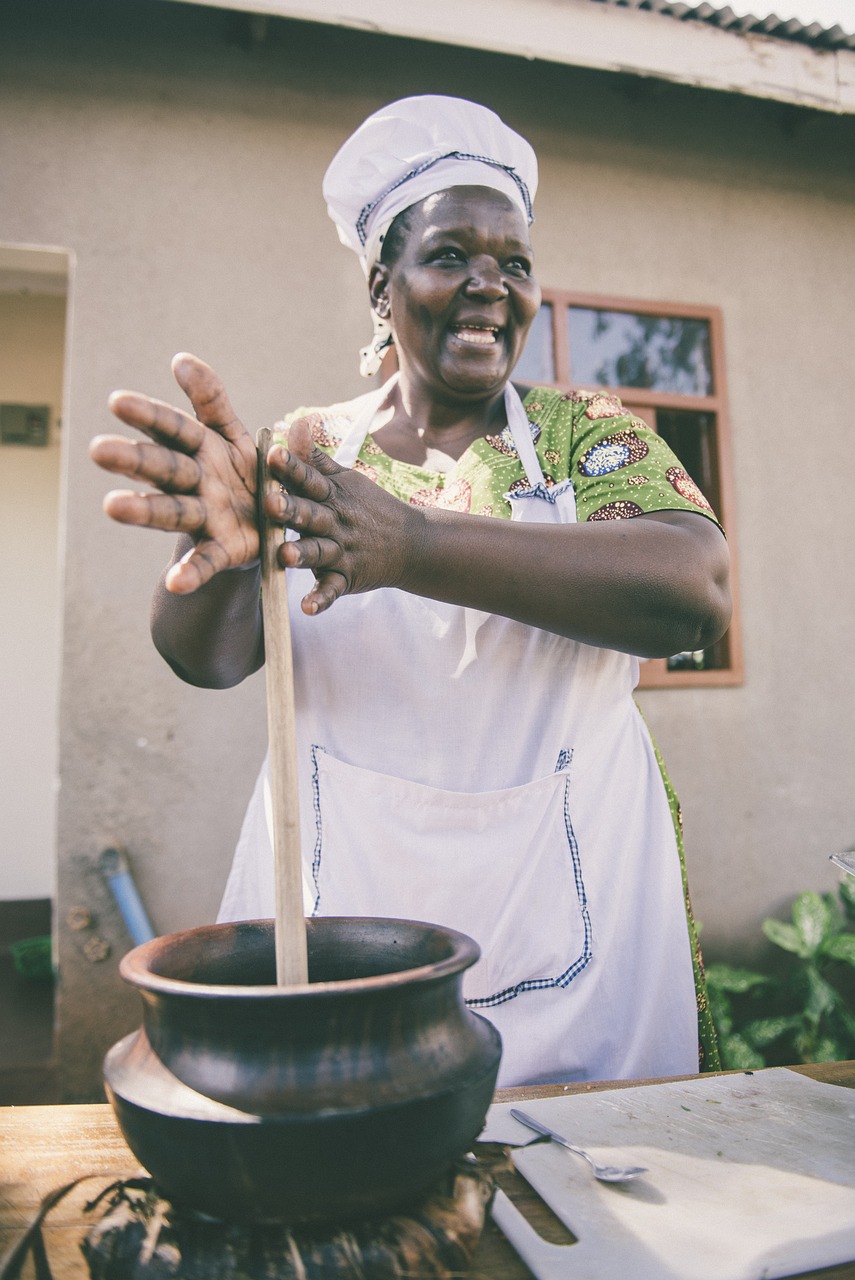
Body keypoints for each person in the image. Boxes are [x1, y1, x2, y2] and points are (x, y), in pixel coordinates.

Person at [90, 95, 731, 1088]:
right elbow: (205, 658)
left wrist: (414, 544)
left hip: (585, 929)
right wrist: (227, 549)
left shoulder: (587, 434)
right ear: (381, 287)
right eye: (451, 255)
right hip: (350, 918)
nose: (490, 285)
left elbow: (693, 588)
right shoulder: (305, 451)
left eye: (514, 262)